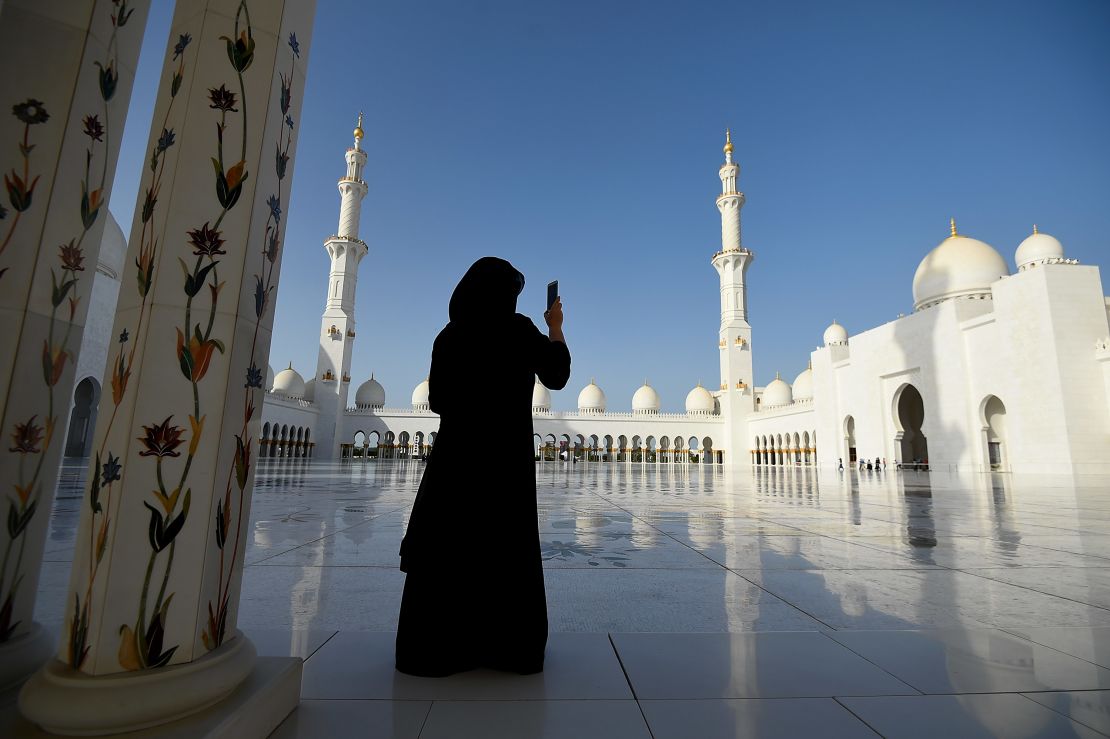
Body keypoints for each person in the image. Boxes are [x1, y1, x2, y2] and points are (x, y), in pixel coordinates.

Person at [395, 257, 571, 677]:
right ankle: (508, 648)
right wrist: (556, 326)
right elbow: (557, 375)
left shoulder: (449, 336)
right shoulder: (519, 330)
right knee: (505, 548)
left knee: (448, 547)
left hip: (456, 462)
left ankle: (437, 649)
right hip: (504, 464)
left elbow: (436, 400)